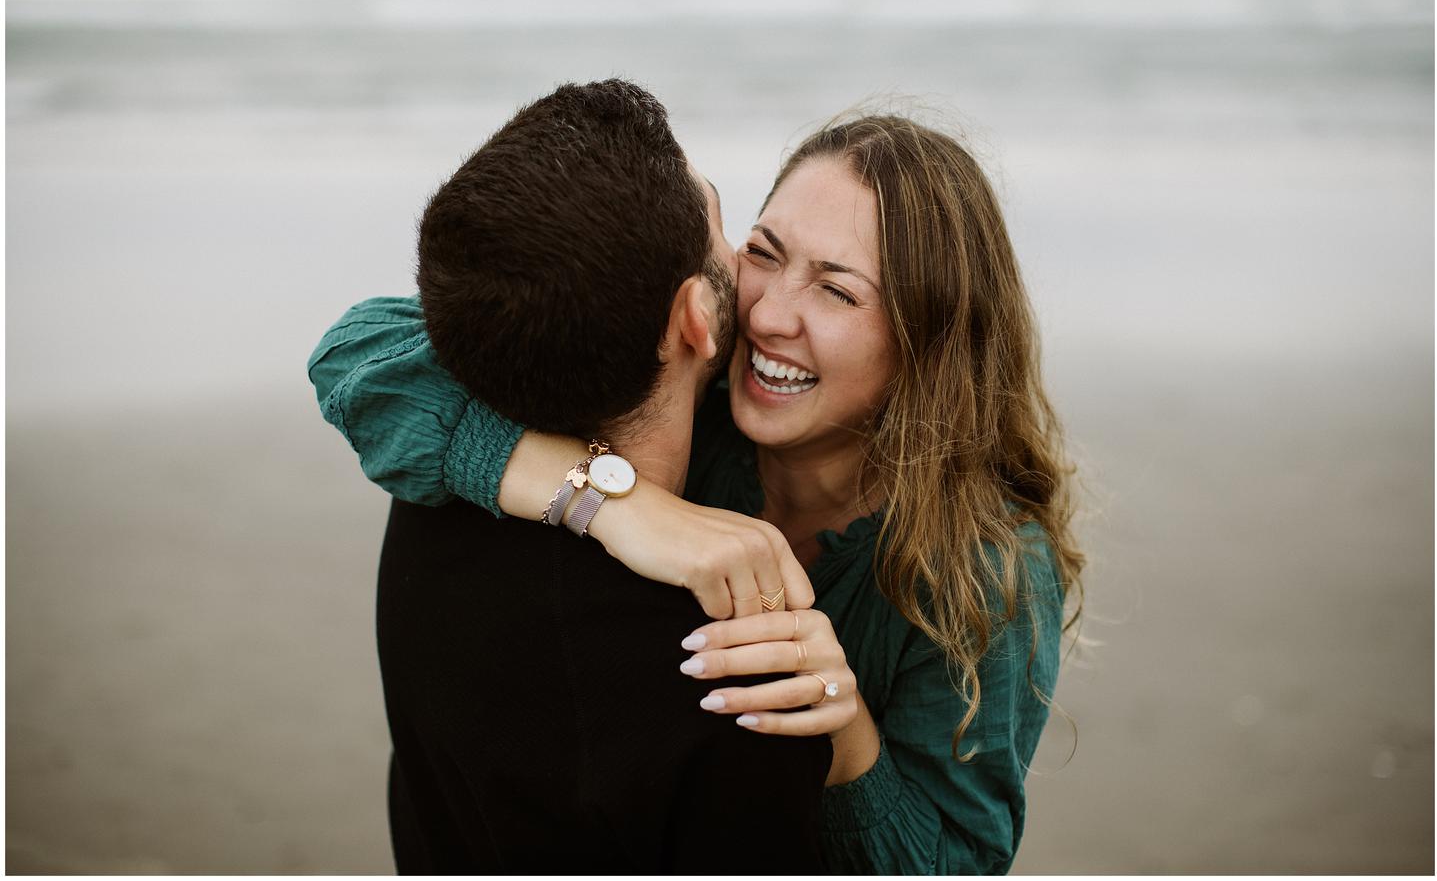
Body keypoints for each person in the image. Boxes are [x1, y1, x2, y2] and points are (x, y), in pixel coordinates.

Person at [311, 107, 1085, 874]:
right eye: (764, 252)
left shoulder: (987, 567)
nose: (770, 313)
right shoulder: (697, 394)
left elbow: (962, 860)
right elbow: (364, 350)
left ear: (934, 338)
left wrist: (844, 732)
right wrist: (613, 503)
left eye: (838, 292)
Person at [310, 79, 832, 873]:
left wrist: (597, 496)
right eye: (723, 230)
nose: (743, 267)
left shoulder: (433, 493)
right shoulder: (735, 679)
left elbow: (360, 346)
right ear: (694, 316)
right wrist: (613, 503)